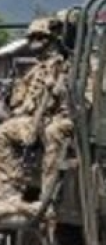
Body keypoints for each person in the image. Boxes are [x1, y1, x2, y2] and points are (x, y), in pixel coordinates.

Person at [0, 18, 71, 220]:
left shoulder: (62, 65)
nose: (35, 42)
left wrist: (55, 89)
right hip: (35, 118)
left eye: (40, 38)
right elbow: (24, 101)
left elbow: (65, 98)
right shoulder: (36, 68)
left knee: (48, 132)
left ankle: (43, 196)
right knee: (5, 129)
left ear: (50, 39)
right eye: (32, 38)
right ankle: (9, 189)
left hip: (54, 118)